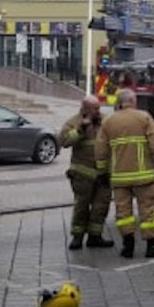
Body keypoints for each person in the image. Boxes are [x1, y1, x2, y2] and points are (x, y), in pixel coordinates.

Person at [96, 89, 154, 258]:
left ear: (119, 102)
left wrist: (102, 172)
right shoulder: (144, 117)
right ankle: (153, 246)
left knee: (123, 212)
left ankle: (128, 244)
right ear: (133, 101)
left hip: (119, 177)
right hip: (144, 175)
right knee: (148, 210)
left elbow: (101, 149)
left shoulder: (108, 121)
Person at [60, 96, 114, 250]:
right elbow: (64, 141)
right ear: (84, 108)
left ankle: (95, 237)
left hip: (103, 175)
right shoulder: (74, 122)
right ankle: (77, 237)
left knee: (101, 207)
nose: (98, 111)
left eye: (98, 108)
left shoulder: (106, 121)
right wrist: (80, 130)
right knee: (81, 207)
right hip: (82, 175)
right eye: (94, 108)